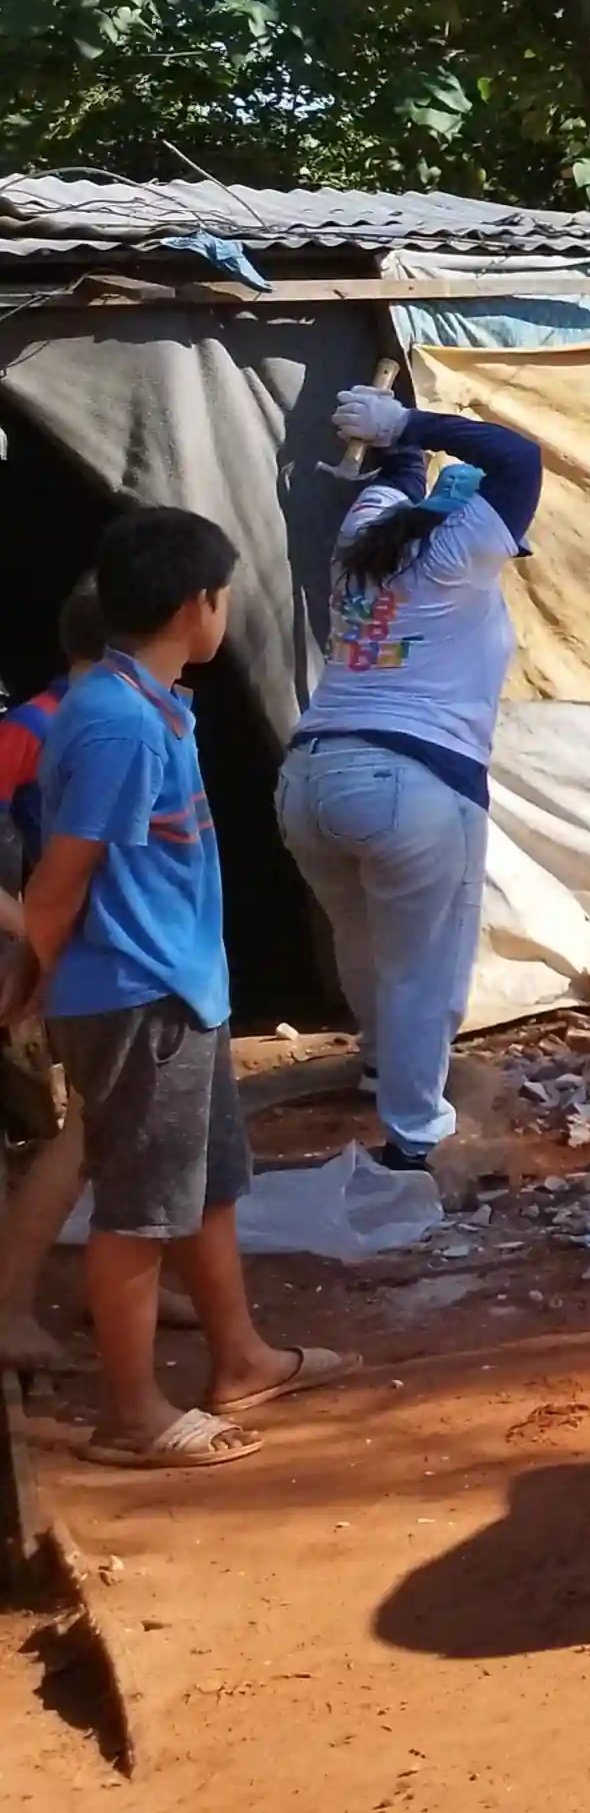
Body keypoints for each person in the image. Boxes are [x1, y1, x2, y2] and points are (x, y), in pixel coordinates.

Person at [30, 506, 356, 1467]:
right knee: (139, 1210)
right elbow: (60, 879)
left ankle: (241, 1357)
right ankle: (132, 1416)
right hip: (137, 996)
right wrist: (35, 973)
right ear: (195, 606)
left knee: (204, 1187)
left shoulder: (152, 705)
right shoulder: (121, 725)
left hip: (177, 990)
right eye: (224, 596)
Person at [275, 383, 545, 1174]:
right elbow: (517, 459)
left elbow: (396, 474)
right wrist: (410, 423)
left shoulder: (360, 538)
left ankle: (377, 1068)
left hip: (310, 778)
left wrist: (396, 431)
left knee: (360, 943)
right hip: (412, 781)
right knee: (425, 965)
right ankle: (415, 1138)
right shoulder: (462, 553)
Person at [0, 579, 106, 1373]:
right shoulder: (32, 731)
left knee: (126, 1135)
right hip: (64, 955)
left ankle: (130, 1284)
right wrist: (33, 948)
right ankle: (12, 1308)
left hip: (84, 951)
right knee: (77, 1133)